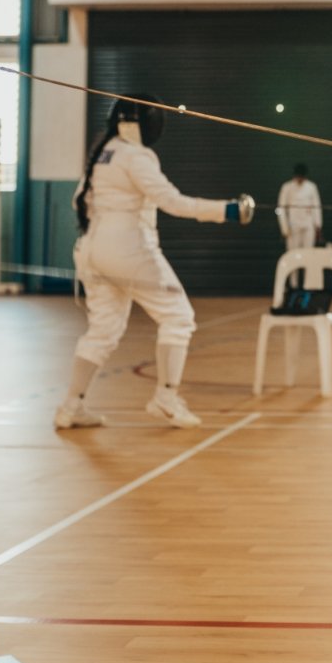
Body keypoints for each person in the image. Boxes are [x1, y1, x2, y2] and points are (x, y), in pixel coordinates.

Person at [55, 97, 253, 431]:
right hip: (127, 249)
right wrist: (228, 211)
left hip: (90, 249)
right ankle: (166, 398)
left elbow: (79, 202)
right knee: (178, 316)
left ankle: (70, 407)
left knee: (102, 331)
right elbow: (172, 202)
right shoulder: (137, 156)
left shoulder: (104, 153)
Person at [277, 163, 323, 253]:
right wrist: (284, 228)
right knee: (292, 253)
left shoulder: (311, 187)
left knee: (308, 252)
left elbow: (316, 207)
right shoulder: (287, 187)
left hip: (308, 225)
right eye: (298, 176)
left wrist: (318, 226)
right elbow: (281, 208)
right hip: (293, 226)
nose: (300, 179)